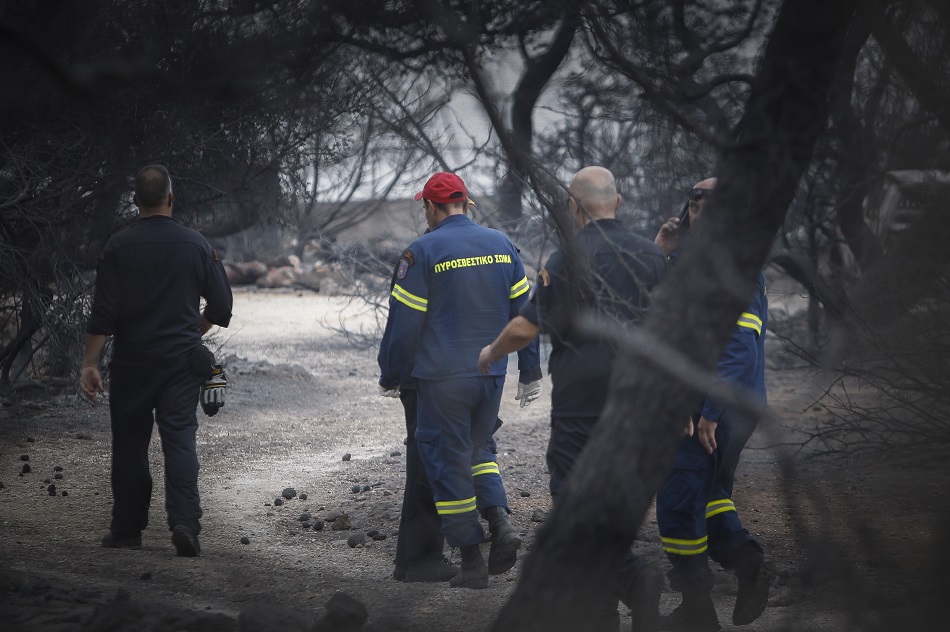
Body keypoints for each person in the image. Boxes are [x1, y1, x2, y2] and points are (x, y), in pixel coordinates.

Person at [478, 166, 669, 631]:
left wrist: (490, 352)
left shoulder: (569, 259)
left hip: (583, 407)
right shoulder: (653, 257)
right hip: (640, 406)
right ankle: (604, 610)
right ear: (617, 203)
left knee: (573, 507)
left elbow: (526, 326)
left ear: (573, 208)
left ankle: (632, 578)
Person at [377, 171, 540, 589]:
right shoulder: (502, 245)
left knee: (447, 465)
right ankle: (500, 522)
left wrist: (391, 374)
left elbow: (405, 325)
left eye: (425, 208)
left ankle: (471, 562)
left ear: (431, 208)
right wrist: (530, 369)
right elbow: (526, 313)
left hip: (441, 381)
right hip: (491, 375)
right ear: (466, 203)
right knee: (479, 451)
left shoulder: (423, 250)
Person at [79, 165, 233, 558]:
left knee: (130, 446)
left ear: (135, 201)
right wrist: (190, 333)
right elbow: (222, 305)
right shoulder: (196, 244)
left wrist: (89, 364)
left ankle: (127, 530)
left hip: (132, 364)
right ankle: (184, 525)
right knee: (180, 442)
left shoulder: (117, 247)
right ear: (170, 198)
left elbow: (103, 316)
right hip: (180, 364)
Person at [652, 178, 774, 632]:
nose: (699, 213)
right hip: (722, 405)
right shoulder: (694, 262)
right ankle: (748, 566)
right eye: (694, 206)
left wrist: (708, 413)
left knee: (678, 503)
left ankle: (697, 610)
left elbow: (739, 346)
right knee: (712, 494)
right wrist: (661, 251)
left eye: (710, 207)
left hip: (713, 408)